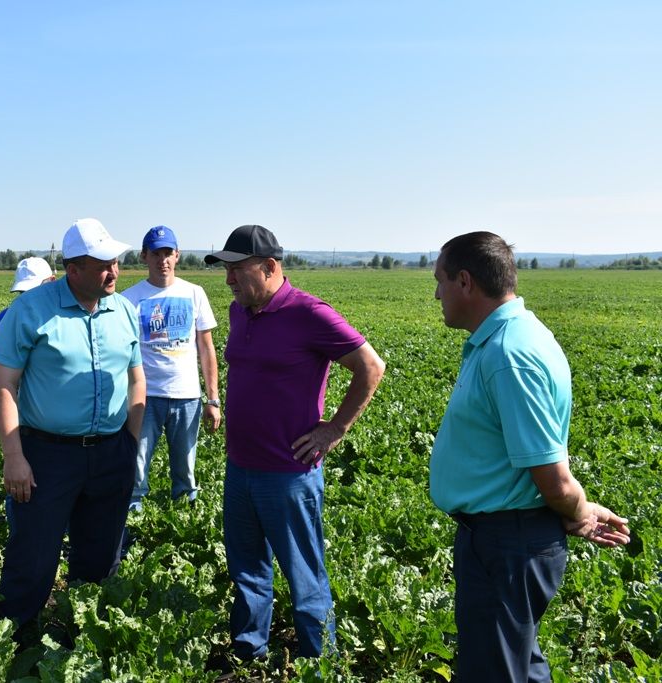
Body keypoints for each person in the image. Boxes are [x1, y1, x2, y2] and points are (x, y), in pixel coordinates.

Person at [430, 231, 630, 682]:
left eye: (439, 280)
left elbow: (552, 477)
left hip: (507, 544)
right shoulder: (506, 339)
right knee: (518, 666)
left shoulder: (509, 354)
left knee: (495, 673)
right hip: (506, 537)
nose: (436, 293)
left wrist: (578, 512)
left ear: (465, 282)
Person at [204, 225, 385, 660]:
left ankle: (319, 662)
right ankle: (250, 653)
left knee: (305, 576)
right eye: (225, 271)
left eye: (236, 270)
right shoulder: (239, 310)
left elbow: (370, 367)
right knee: (247, 571)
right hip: (240, 466)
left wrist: (335, 428)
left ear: (269, 267)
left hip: (288, 473)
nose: (229, 280)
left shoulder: (309, 313)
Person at [0, 217, 145, 629]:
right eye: (102, 265)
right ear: (73, 269)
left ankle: (84, 635)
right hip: (47, 455)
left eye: (115, 262)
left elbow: (136, 379)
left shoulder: (125, 310)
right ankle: (13, 642)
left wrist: (130, 443)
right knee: (34, 555)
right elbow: (4, 383)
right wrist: (14, 456)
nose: (113, 271)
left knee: (100, 554)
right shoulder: (29, 310)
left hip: (112, 452)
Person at [121, 225, 220, 512]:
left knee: (185, 466)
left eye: (168, 253)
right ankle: (134, 513)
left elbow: (206, 348)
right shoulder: (130, 299)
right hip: (144, 396)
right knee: (137, 462)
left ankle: (185, 512)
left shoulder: (194, 293)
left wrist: (212, 399)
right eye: (156, 253)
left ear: (177, 256)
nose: (162, 260)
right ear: (144, 256)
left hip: (186, 395)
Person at [0, 256, 55, 379]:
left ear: (52, 281)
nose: (27, 298)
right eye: (22, 292)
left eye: (33, 291)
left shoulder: (66, 317)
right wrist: (14, 380)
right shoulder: (6, 317)